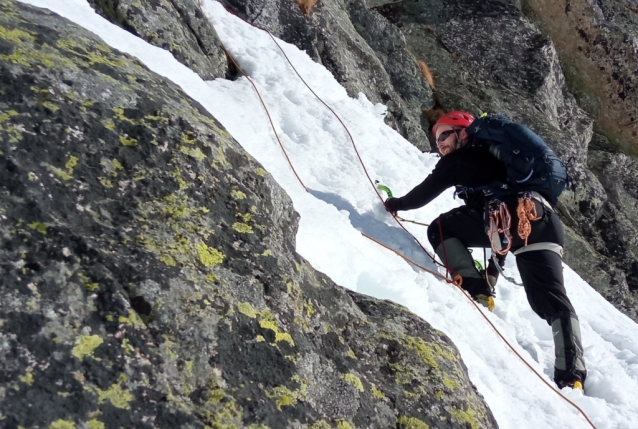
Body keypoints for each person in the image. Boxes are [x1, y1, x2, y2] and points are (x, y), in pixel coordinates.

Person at [384, 111, 587, 390]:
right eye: (436, 138)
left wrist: (395, 204)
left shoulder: (462, 159)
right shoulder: (500, 163)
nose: (439, 143)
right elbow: (502, 240)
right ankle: (572, 376)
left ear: (462, 133)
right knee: (553, 301)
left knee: (440, 228)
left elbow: (424, 193)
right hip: (542, 220)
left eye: (444, 134)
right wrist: (491, 275)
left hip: (507, 217)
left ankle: (474, 286)